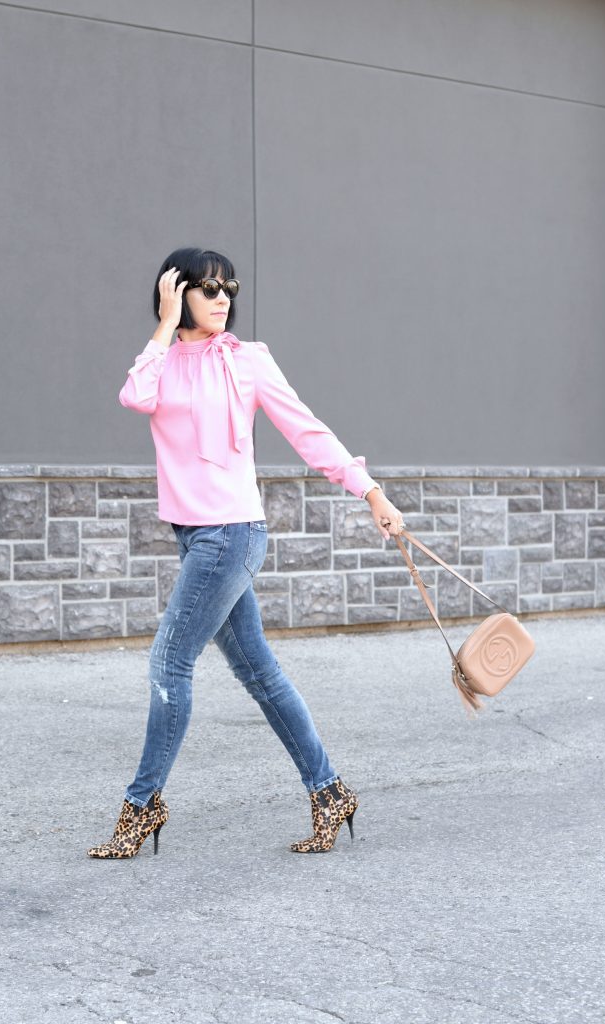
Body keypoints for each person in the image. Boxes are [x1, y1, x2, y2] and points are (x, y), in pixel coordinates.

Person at [87, 247, 405, 860]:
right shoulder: (164, 361)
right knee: (259, 673)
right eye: (206, 288)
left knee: (170, 665)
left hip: (230, 535)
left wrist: (370, 491)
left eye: (228, 287)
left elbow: (307, 430)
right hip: (196, 534)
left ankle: (142, 805)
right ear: (175, 294)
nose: (223, 298)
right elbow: (135, 396)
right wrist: (162, 325)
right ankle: (330, 790)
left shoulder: (249, 361)